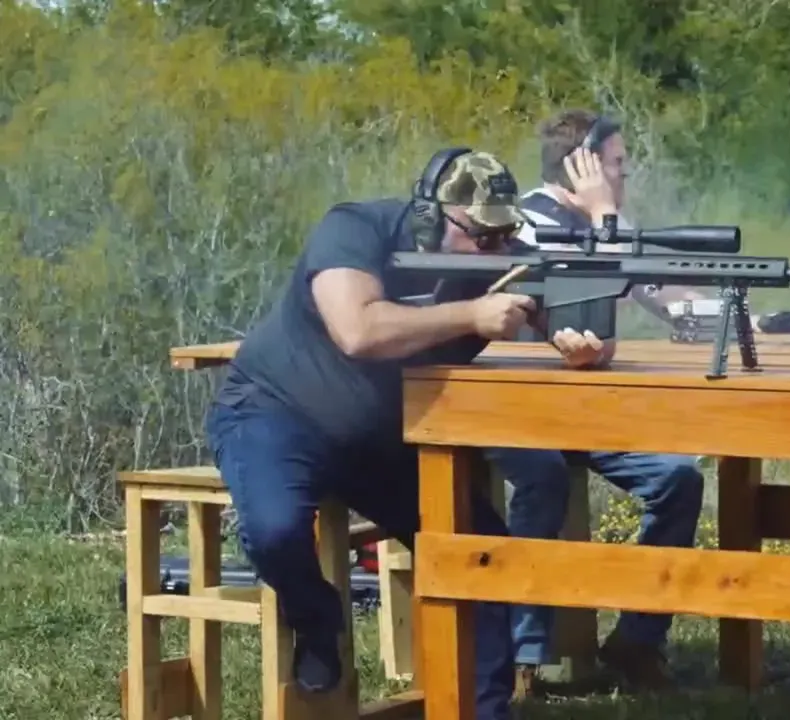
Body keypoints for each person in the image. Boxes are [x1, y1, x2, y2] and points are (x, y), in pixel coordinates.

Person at [203, 148, 610, 720]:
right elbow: (358, 330)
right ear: (429, 215)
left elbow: (583, 322)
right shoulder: (355, 229)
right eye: (480, 236)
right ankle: (317, 619)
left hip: (384, 440)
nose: (492, 250)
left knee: (479, 554)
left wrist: (581, 341)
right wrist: (472, 315)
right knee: (274, 532)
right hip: (276, 413)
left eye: (503, 236)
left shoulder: (505, 259)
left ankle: (484, 710)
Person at [484, 109, 710, 700]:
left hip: (585, 411)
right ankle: (521, 662)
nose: (624, 173)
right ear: (581, 165)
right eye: (615, 162)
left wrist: (745, 320)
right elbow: (554, 321)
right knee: (543, 478)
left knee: (678, 477)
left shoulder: (604, 221)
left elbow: (664, 294)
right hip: (514, 410)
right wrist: (605, 217)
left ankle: (636, 641)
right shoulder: (526, 227)